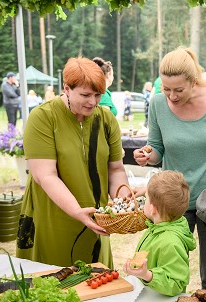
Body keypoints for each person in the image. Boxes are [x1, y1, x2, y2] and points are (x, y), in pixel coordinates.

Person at [133, 47, 206, 291]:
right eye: (166, 89)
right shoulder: (158, 103)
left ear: (194, 81)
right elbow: (157, 147)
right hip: (172, 200)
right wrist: (147, 155)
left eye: (178, 90)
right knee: (168, 269)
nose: (171, 96)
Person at [16, 57, 129, 268]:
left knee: (96, 283)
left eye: (98, 95)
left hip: (95, 217)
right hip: (52, 217)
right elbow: (44, 175)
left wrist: (124, 203)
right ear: (67, 88)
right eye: (85, 95)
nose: (93, 102)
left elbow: (115, 169)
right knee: (53, 284)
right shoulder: (43, 117)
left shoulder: (106, 119)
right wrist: (76, 211)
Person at [123, 170, 196, 296]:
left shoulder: (171, 242)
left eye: (146, 198)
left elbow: (176, 283)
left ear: (152, 209)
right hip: (147, 295)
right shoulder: (157, 227)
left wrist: (147, 275)